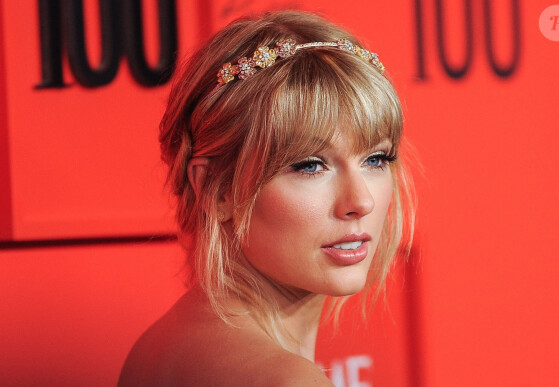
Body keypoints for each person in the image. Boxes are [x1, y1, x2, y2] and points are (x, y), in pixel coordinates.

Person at [118, 10, 414, 386]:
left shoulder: (159, 348)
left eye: (376, 159)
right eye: (309, 165)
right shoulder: (286, 380)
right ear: (216, 188)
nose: (361, 201)